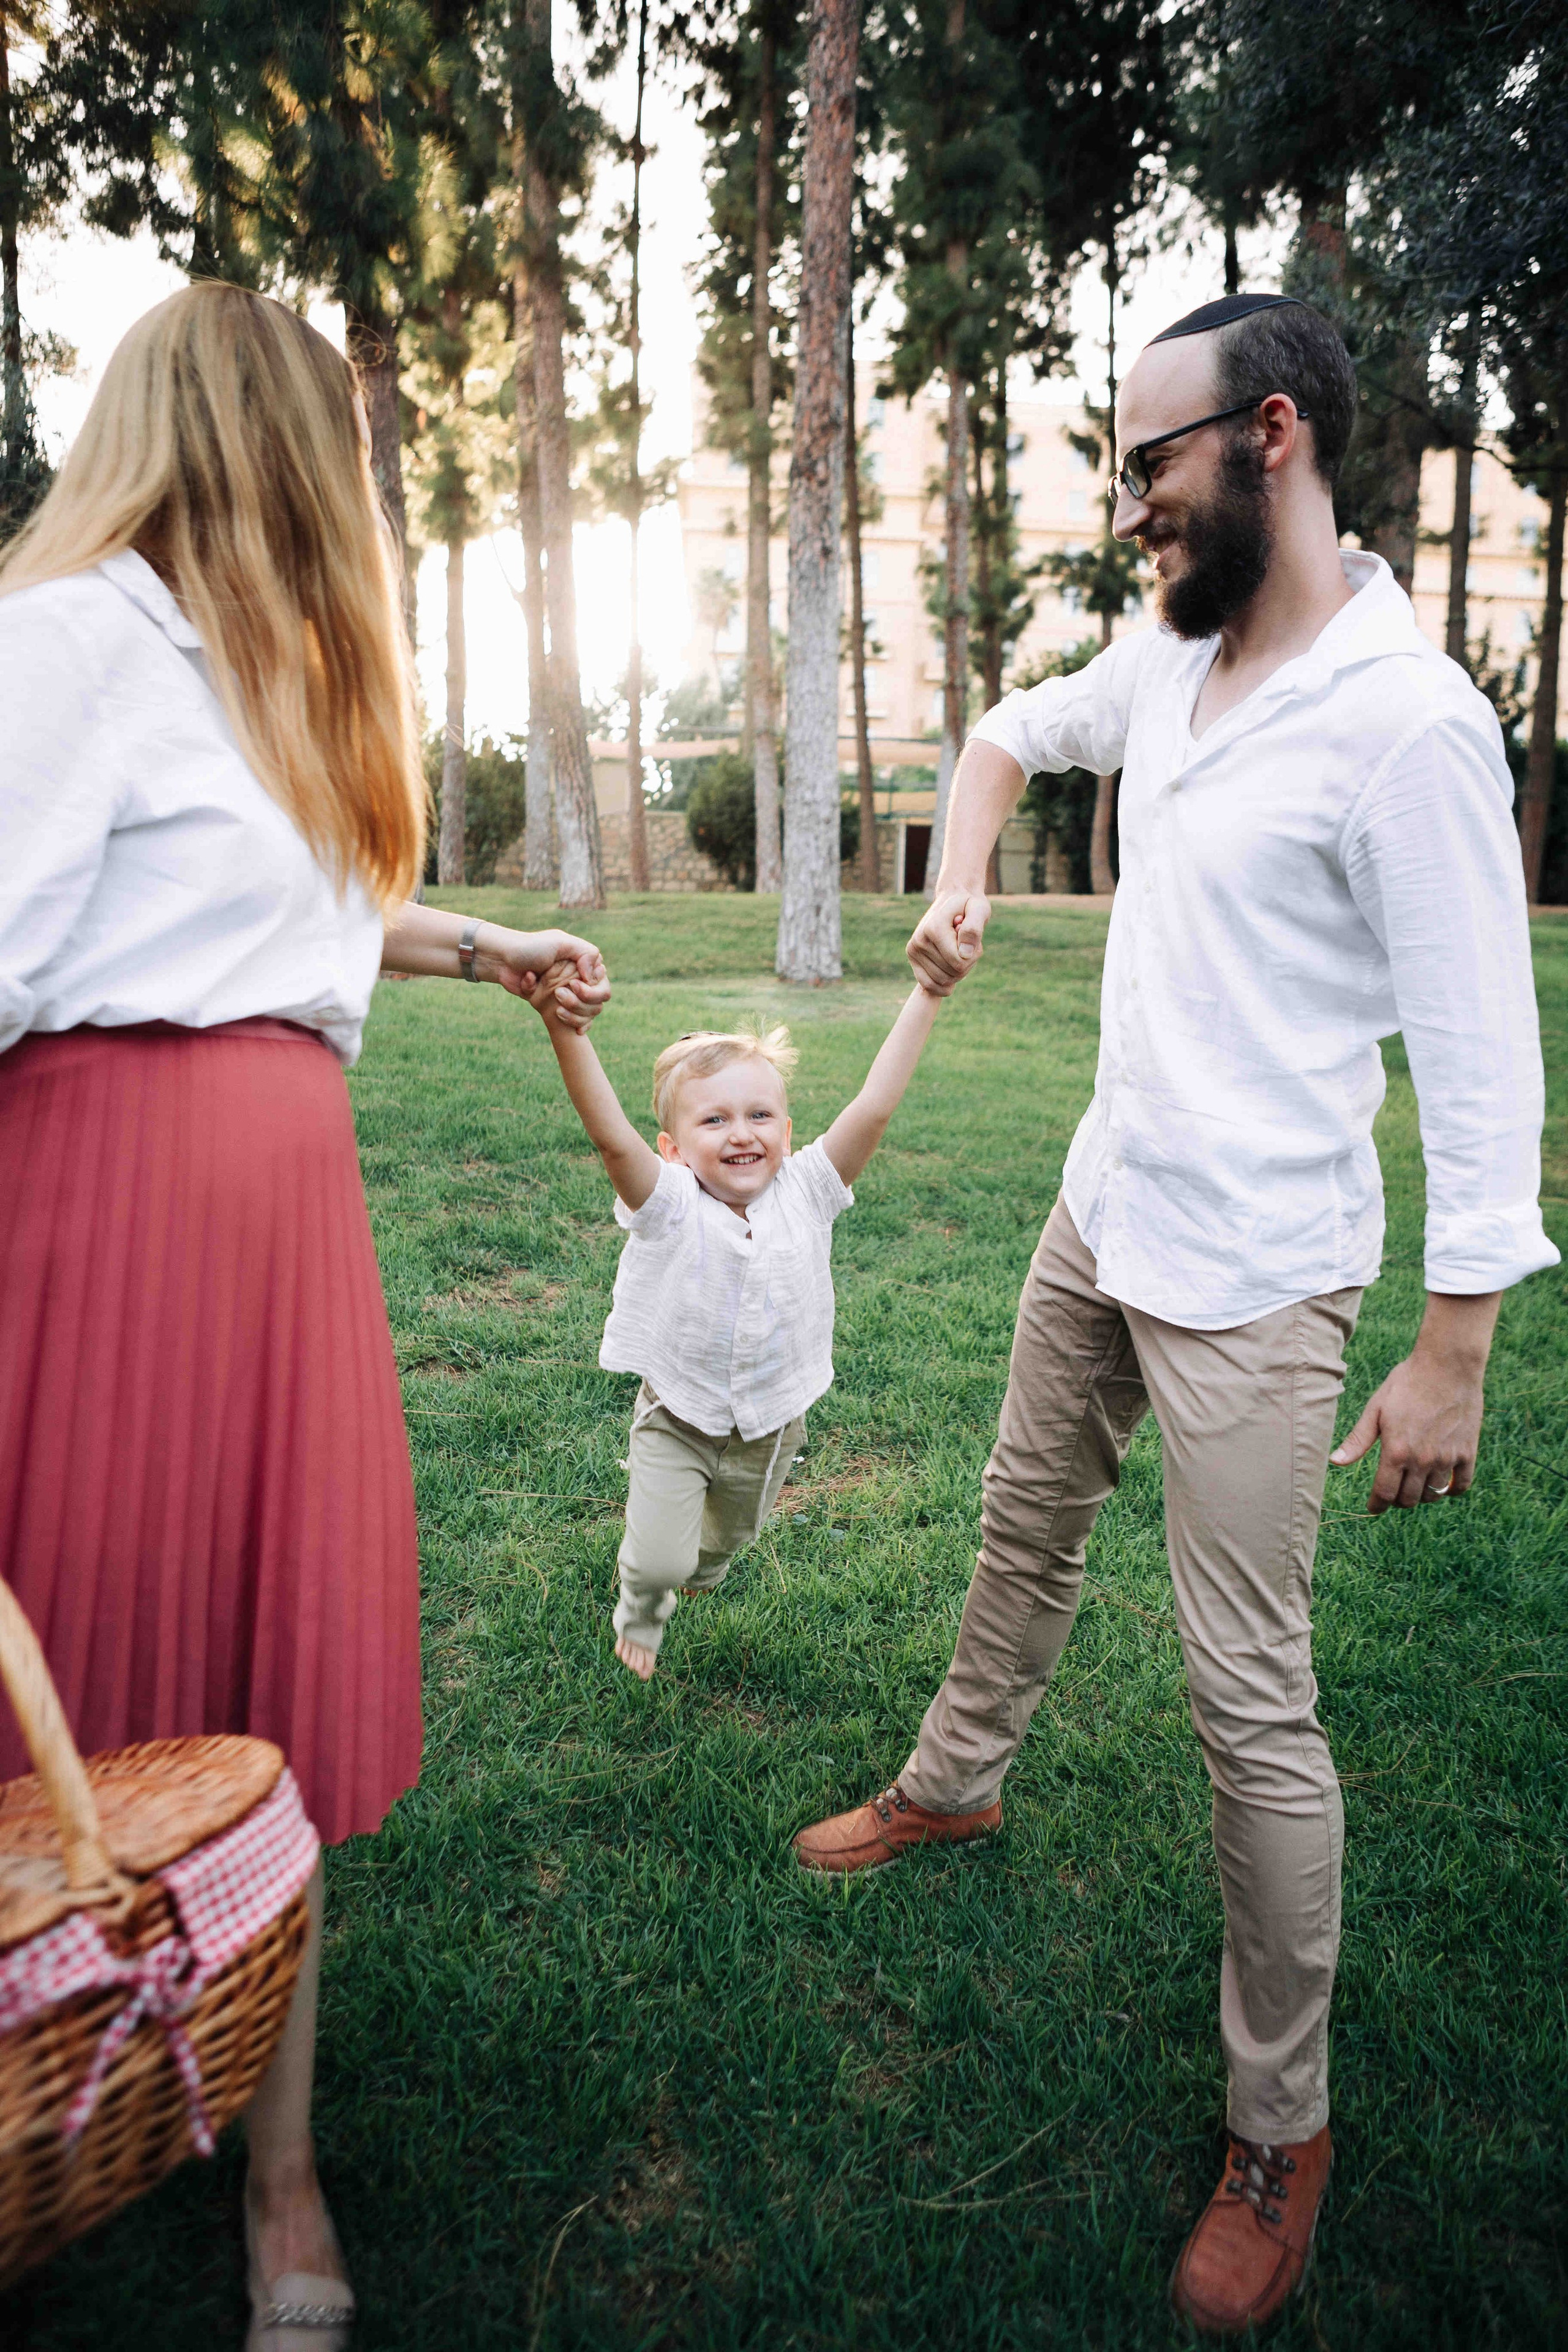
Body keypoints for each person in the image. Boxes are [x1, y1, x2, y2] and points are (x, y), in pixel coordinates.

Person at [791, 293, 1557, 2339]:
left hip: (1260, 1275)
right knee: (1018, 1525)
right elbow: (997, 737)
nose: (1128, 504)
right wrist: (953, 874)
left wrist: (1454, 1342)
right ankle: (959, 1777)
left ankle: (1280, 2125)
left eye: (1147, 462)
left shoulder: (1406, 720)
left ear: (1270, 438)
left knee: (1249, 1706)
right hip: (1103, 1208)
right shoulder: (1183, 659)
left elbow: (1486, 1067)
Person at [0, 284, 608, 2350]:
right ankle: (55, 2077)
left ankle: (280, 2174)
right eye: (333, 439)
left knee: (254, 1713)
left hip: (281, 1232)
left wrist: (474, 944)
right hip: (100, 1214)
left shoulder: (264, 671)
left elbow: (280, 908)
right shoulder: (71, 633)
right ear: (252, 438)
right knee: (62, 1695)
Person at [532, 987, 943, 1678]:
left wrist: (928, 993)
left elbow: (873, 1106)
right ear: (673, 1147)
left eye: (759, 1115)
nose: (741, 1133)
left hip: (774, 1420)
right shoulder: (667, 1202)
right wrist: (564, 1028)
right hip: (680, 1414)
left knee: (726, 1540)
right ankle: (641, 1603)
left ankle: (702, 1564)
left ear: (786, 1131)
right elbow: (609, 1135)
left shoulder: (809, 1189)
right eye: (714, 1119)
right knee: (662, 1558)